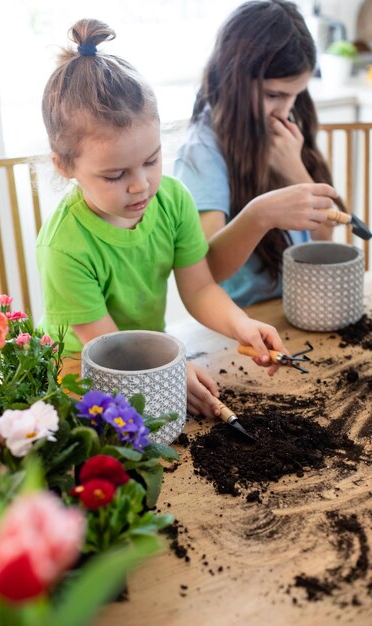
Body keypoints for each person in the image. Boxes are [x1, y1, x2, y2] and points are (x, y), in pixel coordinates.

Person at [36, 18, 288, 419]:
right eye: (116, 175)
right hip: (80, 367)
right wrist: (168, 373)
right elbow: (109, 348)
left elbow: (201, 288)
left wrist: (240, 325)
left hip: (148, 351)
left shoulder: (171, 198)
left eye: (151, 160)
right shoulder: (64, 245)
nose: (141, 186)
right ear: (65, 166)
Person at [174, 0, 342, 308]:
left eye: (295, 95)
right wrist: (260, 214)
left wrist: (295, 171)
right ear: (233, 78)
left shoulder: (284, 134)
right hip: (243, 320)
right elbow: (205, 270)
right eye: (273, 95)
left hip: (297, 304)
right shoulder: (202, 152)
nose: (286, 109)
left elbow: (325, 237)